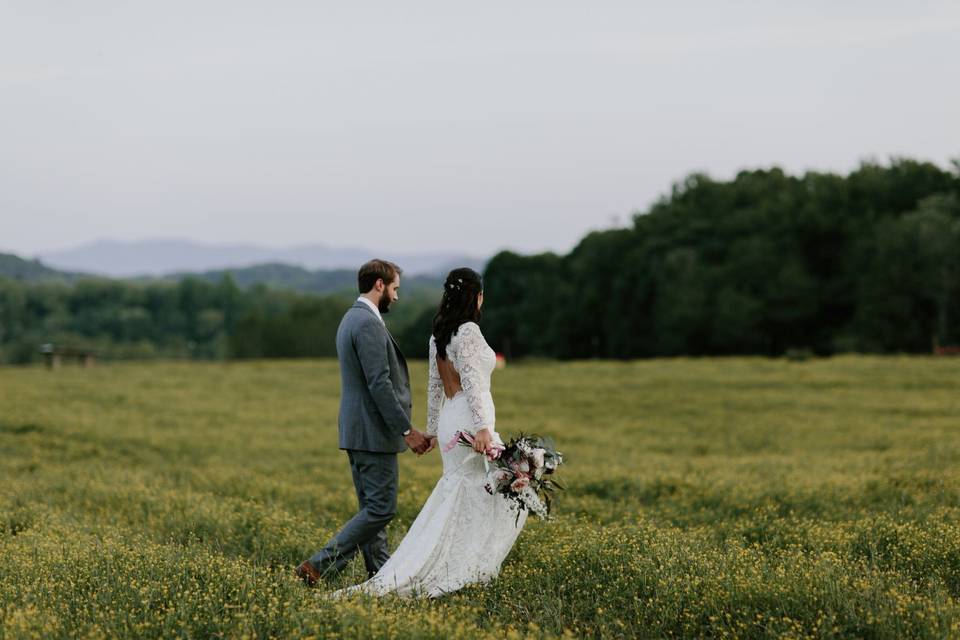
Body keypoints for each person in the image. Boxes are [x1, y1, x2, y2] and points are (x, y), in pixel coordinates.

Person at [332, 267, 526, 598]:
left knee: (464, 491)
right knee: (488, 491)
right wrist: (482, 428)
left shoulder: (438, 334)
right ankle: (462, 567)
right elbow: (474, 384)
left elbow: (435, 386)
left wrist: (435, 429)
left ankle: (461, 562)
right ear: (477, 297)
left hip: (453, 419)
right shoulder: (468, 332)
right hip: (469, 420)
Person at [296, 259, 431, 586]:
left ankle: (382, 577)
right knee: (381, 510)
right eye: (395, 288)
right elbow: (379, 383)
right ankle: (318, 566)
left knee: (373, 512)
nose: (397, 297)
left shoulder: (350, 318)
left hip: (357, 432)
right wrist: (407, 430)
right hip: (372, 433)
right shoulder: (368, 323)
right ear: (380, 285)